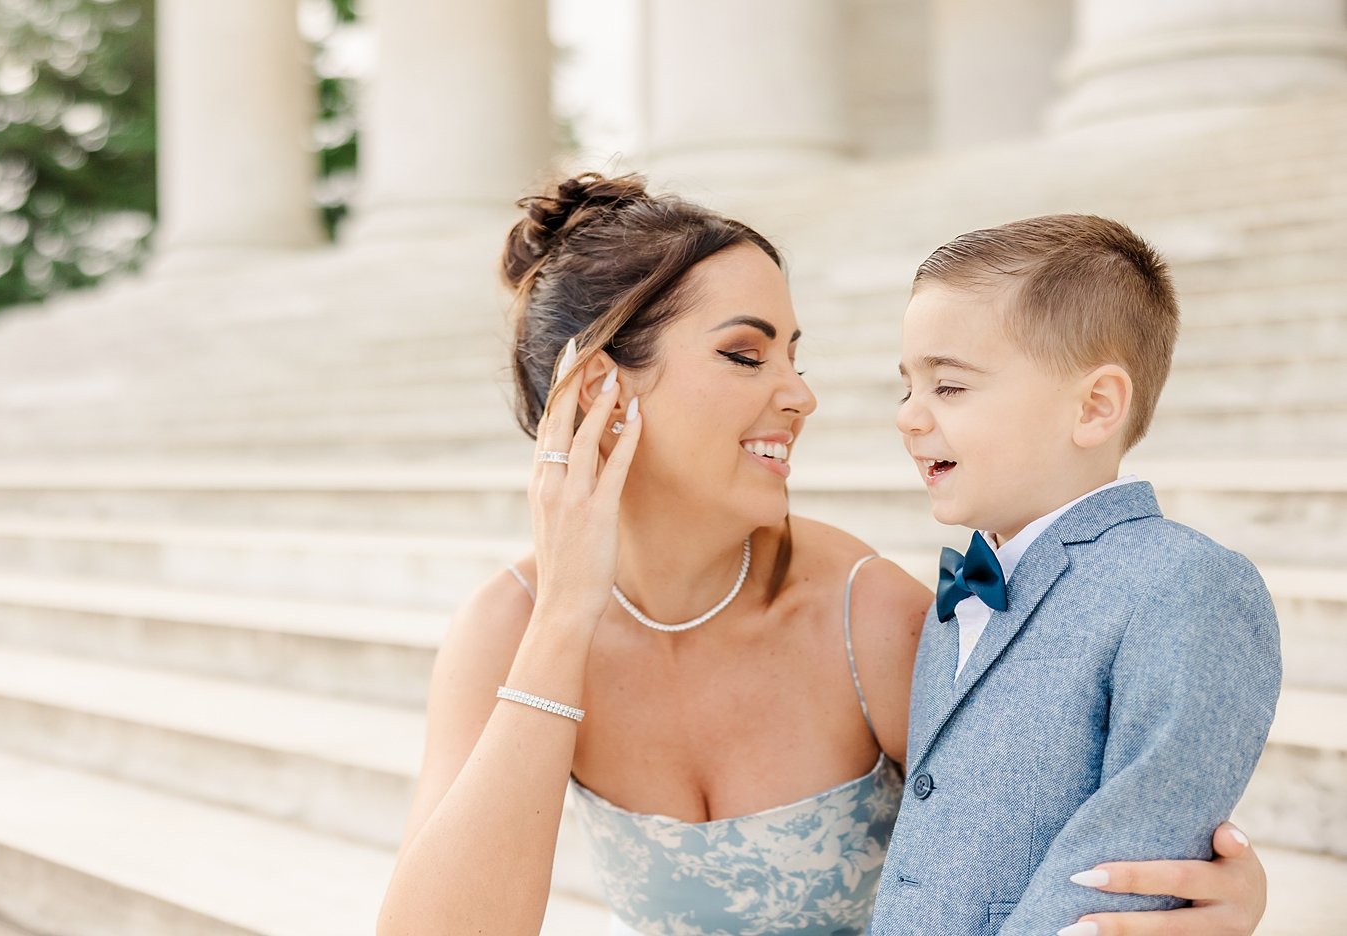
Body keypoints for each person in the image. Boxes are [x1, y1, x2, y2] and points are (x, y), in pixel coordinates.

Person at [376, 174, 1269, 936]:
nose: (800, 396)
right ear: (601, 391)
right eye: (744, 354)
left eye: (793, 356)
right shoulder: (504, 628)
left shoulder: (865, 613)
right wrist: (567, 614)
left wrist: (1210, 893)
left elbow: (1033, 821)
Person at [873, 216, 1282, 935]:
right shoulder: (962, 593)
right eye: (906, 386)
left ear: (1094, 406)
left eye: (949, 386)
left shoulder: (1184, 584)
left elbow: (1125, 870)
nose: (909, 416)